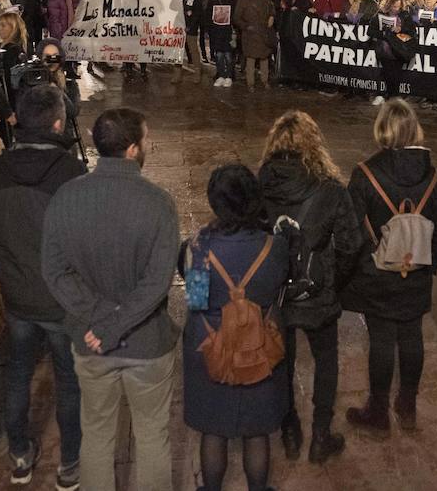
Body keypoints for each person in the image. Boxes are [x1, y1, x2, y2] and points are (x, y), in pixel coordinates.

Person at [41, 108, 179, 491]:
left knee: (97, 434)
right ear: (133, 149)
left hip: (91, 341)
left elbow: (55, 272)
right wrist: (115, 324)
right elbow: (157, 282)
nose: (149, 145)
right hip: (146, 342)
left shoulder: (66, 197)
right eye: (147, 139)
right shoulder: (158, 203)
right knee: (152, 434)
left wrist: (101, 321)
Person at [0, 84, 86, 488]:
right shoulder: (73, 173)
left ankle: (20, 454)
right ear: (57, 124)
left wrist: (6, 263)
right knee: (68, 379)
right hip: (62, 298)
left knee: (18, 372)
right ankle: (69, 463)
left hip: (18, 296)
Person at [341, 99, 437, 431]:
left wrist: (363, 270)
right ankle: (408, 404)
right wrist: (423, 266)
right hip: (416, 271)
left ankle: (378, 412)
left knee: (382, 339)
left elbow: (350, 235)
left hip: (377, 274)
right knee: (412, 335)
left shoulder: (364, 175)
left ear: (382, 129)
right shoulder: (435, 178)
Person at [258, 110, 360, 464]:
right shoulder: (330, 190)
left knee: (281, 362)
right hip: (317, 291)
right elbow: (351, 245)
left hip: (275, 292)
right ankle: (320, 435)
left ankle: (289, 430)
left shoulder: (260, 185)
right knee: (326, 360)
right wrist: (333, 280)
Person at [181, 163, 289, 491]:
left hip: (211, 344)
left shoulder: (199, 247)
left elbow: (196, 300)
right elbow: (276, 290)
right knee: (257, 430)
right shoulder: (274, 246)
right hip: (258, 344)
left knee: (213, 428)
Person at [235, 0, 275, 88]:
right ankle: (250, 82)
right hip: (250, 34)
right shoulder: (243, 1)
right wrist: (246, 26)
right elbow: (237, 18)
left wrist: (271, 16)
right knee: (251, 59)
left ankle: (265, 80)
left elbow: (271, 8)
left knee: (264, 58)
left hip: (263, 32)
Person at [206, 0, 239, 87]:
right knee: (219, 54)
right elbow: (208, 11)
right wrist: (209, 26)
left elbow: (236, 11)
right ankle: (220, 75)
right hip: (216, 29)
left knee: (228, 54)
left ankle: (229, 76)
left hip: (228, 29)